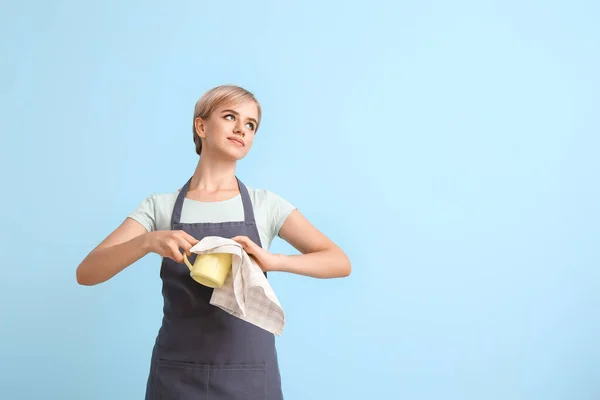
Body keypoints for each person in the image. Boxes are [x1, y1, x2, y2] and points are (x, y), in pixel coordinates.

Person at [75, 84, 352, 399]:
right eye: (230, 116)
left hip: (249, 377)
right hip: (177, 376)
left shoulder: (266, 205)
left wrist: (274, 261)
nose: (241, 129)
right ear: (201, 125)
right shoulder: (160, 207)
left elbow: (339, 261)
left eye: (251, 125)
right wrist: (148, 242)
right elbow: (87, 273)